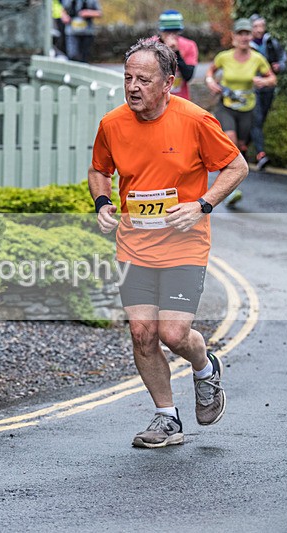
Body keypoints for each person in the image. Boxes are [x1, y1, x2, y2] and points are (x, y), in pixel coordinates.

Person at [88, 38, 248, 448]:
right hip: (134, 245)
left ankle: (204, 366)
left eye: (144, 79)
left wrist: (203, 205)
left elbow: (236, 166)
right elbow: (99, 171)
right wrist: (103, 203)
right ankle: (166, 418)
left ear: (168, 83)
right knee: (142, 334)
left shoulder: (195, 120)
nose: (133, 87)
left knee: (173, 334)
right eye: (127, 78)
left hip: (184, 244)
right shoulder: (112, 124)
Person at [205, 18, 276, 205]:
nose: (244, 37)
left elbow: (272, 79)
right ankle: (229, 191)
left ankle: (232, 182)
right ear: (234, 37)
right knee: (232, 145)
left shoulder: (257, 58)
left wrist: (263, 81)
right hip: (226, 107)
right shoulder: (224, 57)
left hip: (247, 109)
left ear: (251, 36)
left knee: (241, 148)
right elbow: (210, 72)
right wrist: (211, 82)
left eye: (247, 34)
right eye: (240, 33)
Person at [249, 14, 287, 171]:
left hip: (269, 87)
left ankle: (244, 146)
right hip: (252, 89)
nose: (259, 30)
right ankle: (261, 154)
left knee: (261, 119)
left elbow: (283, 58)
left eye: (261, 26)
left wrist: (280, 66)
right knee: (256, 119)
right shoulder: (247, 45)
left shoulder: (271, 42)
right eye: (256, 27)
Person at [156, 10, 198, 101]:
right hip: (155, 99)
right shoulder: (149, 45)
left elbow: (188, 76)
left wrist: (176, 53)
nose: (171, 36)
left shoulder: (189, 45)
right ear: (160, 31)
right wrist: (164, 50)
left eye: (175, 32)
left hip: (180, 99)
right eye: (167, 32)